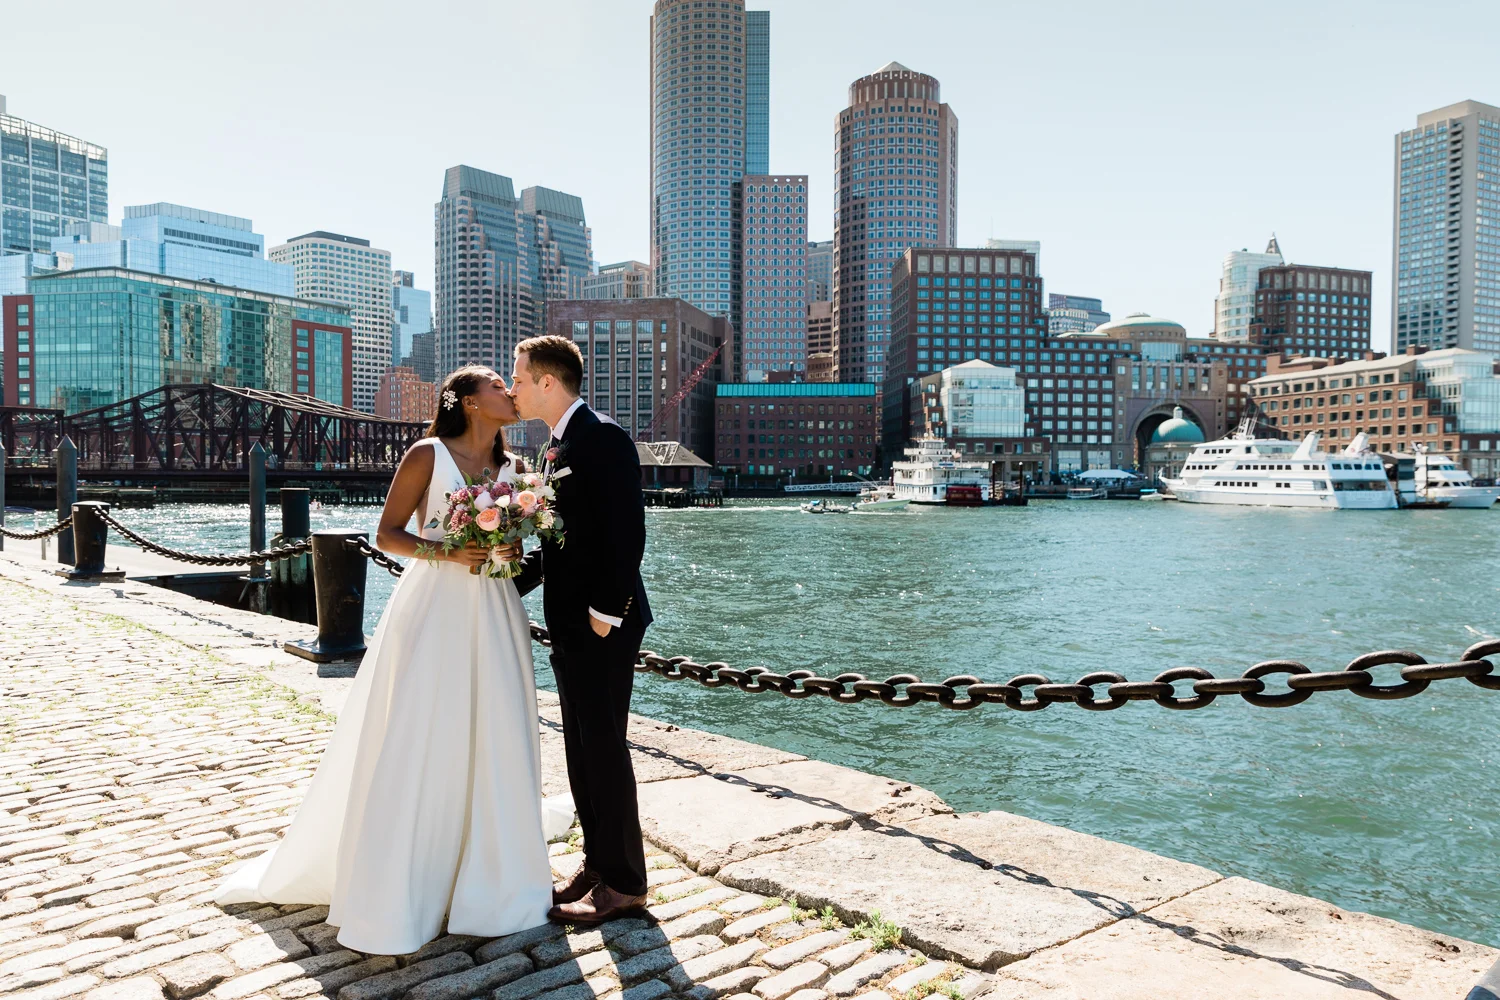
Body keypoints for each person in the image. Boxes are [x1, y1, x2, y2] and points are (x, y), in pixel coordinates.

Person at [214, 365, 570, 955]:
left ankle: (492, 876)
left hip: (495, 608)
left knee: (497, 728)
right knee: (424, 729)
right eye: (494, 383)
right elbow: (388, 534)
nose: (509, 390)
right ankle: (410, 878)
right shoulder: (427, 454)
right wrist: (450, 553)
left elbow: (513, 542)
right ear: (468, 402)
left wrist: (506, 546)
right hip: (435, 605)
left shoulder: (513, 469)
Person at [509, 335, 654, 927]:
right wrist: (500, 582)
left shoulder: (604, 438)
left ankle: (625, 882)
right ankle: (597, 863)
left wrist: (606, 613)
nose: (513, 389)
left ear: (547, 381)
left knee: (604, 747)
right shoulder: (554, 448)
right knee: (579, 749)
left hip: (603, 624)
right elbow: (561, 542)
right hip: (568, 623)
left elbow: (627, 536)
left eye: (518, 379)